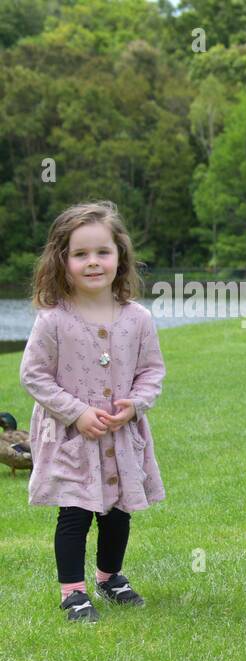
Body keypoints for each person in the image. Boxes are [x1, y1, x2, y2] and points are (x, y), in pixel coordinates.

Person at [20, 201, 165, 623]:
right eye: (80, 254)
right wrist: (76, 412)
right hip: (73, 438)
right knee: (76, 511)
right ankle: (73, 592)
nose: (92, 262)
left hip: (121, 435)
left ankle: (109, 576)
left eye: (102, 252)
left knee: (118, 511)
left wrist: (135, 404)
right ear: (61, 261)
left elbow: (152, 370)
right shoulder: (53, 321)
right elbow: (34, 375)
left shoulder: (137, 319)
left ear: (120, 256)